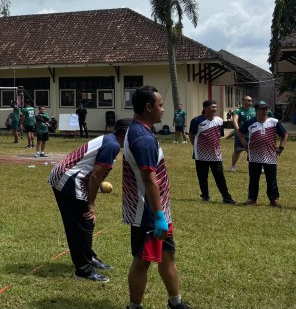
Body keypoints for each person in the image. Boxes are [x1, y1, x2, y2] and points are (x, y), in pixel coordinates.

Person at [122, 85, 192, 309]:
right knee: (142, 262)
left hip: (157, 209)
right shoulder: (142, 138)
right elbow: (149, 180)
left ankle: (176, 302)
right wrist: (159, 215)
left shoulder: (141, 131)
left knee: (168, 254)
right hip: (148, 213)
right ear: (148, 107)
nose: (163, 110)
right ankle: (134, 306)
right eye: (160, 105)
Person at [49, 118, 132, 282]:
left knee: (83, 222)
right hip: (68, 179)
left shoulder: (110, 140)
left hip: (66, 176)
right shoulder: (112, 145)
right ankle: (83, 270)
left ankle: (89, 257)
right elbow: (95, 175)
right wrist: (91, 204)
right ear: (124, 133)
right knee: (84, 221)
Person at [238, 102, 289, 207]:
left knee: (271, 179)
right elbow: (239, 132)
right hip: (254, 156)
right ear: (256, 111)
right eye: (262, 109)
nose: (265, 111)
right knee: (254, 179)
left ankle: (274, 200)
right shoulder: (250, 122)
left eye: (266, 109)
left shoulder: (274, 122)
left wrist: (281, 147)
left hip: (270, 156)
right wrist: (244, 143)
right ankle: (252, 199)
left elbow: (284, 134)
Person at [188, 100, 236, 205]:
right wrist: (197, 147)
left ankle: (226, 197)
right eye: (212, 107)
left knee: (220, 177)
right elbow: (191, 135)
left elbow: (219, 135)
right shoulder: (196, 120)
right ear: (205, 108)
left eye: (215, 107)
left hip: (216, 155)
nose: (215, 109)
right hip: (201, 155)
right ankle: (205, 196)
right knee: (202, 177)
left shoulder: (219, 120)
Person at [230, 95, 255, 172]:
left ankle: (258, 166)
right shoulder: (238, 111)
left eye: (251, 100)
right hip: (241, 134)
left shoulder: (254, 110)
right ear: (243, 101)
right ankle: (233, 166)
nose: (250, 102)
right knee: (238, 150)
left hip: (252, 134)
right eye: (248, 100)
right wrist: (238, 130)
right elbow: (235, 120)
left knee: (254, 150)